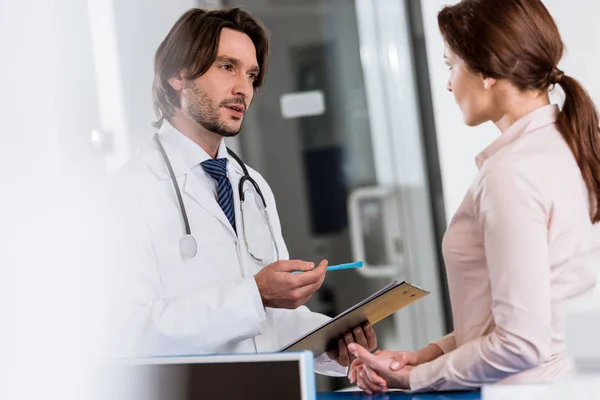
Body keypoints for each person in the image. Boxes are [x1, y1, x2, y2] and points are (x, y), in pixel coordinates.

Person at [346, 0, 600, 393]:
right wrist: (430, 354)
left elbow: (519, 345)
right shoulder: (566, 147)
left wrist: (413, 377)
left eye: (452, 65)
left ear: (485, 72)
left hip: (515, 389)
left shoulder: (512, 174)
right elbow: (519, 317)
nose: (449, 83)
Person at [106, 7, 376, 375]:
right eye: (226, 67)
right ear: (177, 74)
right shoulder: (126, 193)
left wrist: (335, 344)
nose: (243, 89)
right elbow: (130, 335)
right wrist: (256, 293)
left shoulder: (252, 186)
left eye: (251, 74)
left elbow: (275, 322)